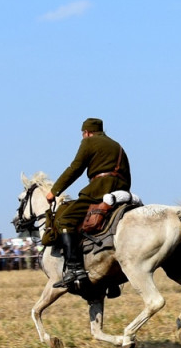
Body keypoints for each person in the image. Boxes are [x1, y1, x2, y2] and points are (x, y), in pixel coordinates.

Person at [45, 118, 131, 290]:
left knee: (66, 220)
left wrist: (54, 191)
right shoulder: (117, 146)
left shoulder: (89, 142)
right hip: (121, 191)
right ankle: (110, 279)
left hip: (99, 189)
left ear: (86, 132)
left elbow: (75, 168)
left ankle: (74, 269)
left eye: (83, 134)